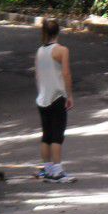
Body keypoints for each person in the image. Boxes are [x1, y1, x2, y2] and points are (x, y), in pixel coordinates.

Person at [34, 18, 76, 183]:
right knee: (57, 135)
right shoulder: (62, 50)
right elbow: (66, 73)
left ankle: (48, 169)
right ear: (58, 31)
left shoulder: (39, 51)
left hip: (42, 97)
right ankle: (58, 171)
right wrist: (69, 95)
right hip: (57, 96)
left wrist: (41, 92)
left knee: (46, 135)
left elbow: (38, 75)